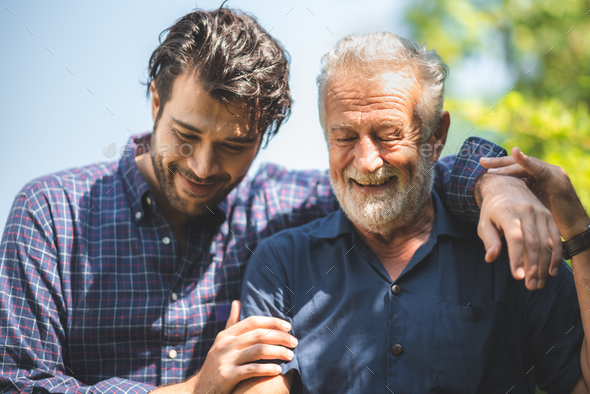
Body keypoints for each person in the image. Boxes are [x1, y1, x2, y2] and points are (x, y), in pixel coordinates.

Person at [0, 8, 559, 394]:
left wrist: (495, 182)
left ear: (264, 138)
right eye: (186, 135)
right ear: (155, 103)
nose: (202, 167)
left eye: (234, 146)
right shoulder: (51, 215)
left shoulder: (283, 205)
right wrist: (197, 389)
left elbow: (402, 178)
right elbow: (19, 384)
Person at [237, 32, 589, 393]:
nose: (366, 161)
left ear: (436, 136)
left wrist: (578, 231)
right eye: (344, 137)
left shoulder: (511, 250)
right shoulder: (281, 263)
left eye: (388, 134)